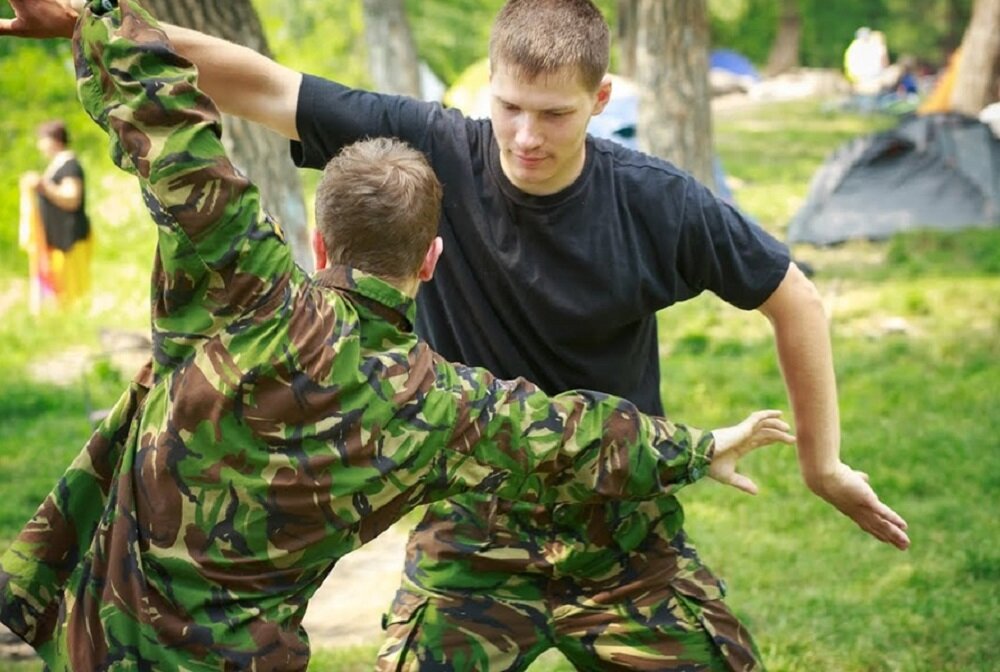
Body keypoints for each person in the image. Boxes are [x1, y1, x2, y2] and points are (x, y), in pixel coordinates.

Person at [2, 1, 910, 670]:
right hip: (473, 526)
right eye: (510, 106)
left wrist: (821, 465)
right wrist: (90, 22)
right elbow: (254, 79)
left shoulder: (655, 201)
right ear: (486, 87)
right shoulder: (433, 147)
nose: (525, 135)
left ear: (601, 98)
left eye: (554, 114)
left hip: (621, 528)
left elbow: (794, 296)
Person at [18, 119, 92, 312]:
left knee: (72, 289)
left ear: (55, 140)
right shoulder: (59, 164)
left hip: (68, 238)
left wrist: (43, 186)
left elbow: (71, 198)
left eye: (42, 139)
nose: (39, 145)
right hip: (58, 238)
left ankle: (74, 319)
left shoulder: (69, 165)